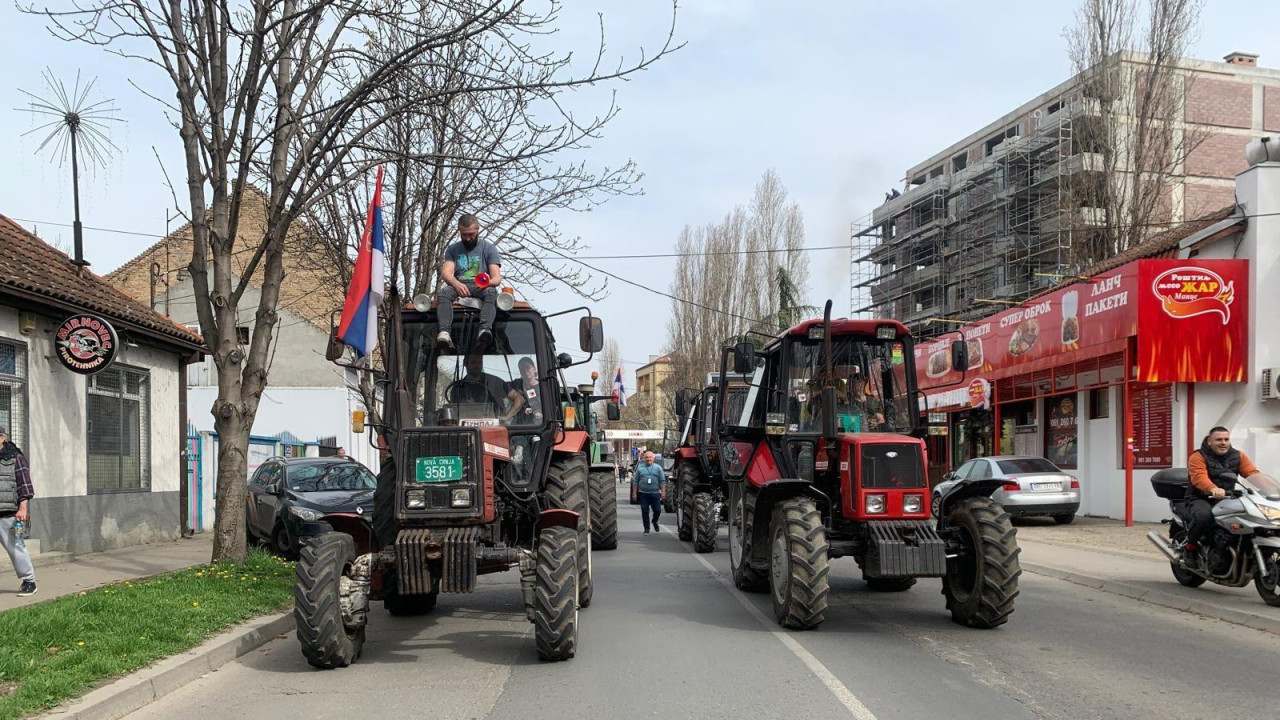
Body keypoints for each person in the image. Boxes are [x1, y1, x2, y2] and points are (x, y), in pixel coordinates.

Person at [1183, 426, 1262, 568]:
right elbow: (1199, 477)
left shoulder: (1238, 456)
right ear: (1209, 441)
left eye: (1226, 439)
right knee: (1204, 517)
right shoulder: (1198, 456)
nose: (1223, 442)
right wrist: (1212, 488)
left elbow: (1252, 474)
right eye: (1219, 439)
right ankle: (1191, 549)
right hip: (1200, 497)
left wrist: (1272, 489)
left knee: (1252, 516)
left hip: (1227, 498)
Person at [436, 214, 503, 351]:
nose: (468, 238)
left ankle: (484, 330)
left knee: (492, 293)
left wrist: (487, 283)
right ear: (459, 231)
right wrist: (456, 284)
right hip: (459, 285)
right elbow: (446, 273)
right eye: (464, 234)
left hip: (481, 287)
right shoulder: (453, 249)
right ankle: (445, 333)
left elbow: (497, 278)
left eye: (471, 234)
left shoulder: (489, 249)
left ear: (478, 229)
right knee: (443, 293)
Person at [0, 426, 36, 597]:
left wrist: (23, 508)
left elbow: (25, 485)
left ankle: (29, 581)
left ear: (2, 438)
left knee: (16, 547)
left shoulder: (15, 458)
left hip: (8, 513)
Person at [448, 353, 525, 422]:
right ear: (465, 363)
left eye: (479, 362)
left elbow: (519, 399)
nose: (477, 365)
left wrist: (507, 416)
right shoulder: (458, 387)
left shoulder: (494, 382)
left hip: (495, 430)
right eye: (473, 362)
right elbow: (454, 411)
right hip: (465, 430)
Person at [634, 451, 666, 534]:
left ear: (653, 459)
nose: (648, 459)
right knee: (645, 511)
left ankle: (654, 521)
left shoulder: (658, 468)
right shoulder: (640, 468)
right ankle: (646, 528)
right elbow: (635, 482)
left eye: (650, 457)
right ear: (644, 459)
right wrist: (634, 493)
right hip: (643, 493)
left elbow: (662, 481)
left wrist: (663, 492)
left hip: (655, 493)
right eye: (647, 457)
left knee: (657, 510)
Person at [509, 357, 543, 426]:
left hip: (539, 427)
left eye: (528, 367)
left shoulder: (543, 387)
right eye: (522, 369)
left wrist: (543, 414)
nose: (525, 371)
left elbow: (551, 408)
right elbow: (502, 386)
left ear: (534, 369)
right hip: (519, 426)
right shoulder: (516, 384)